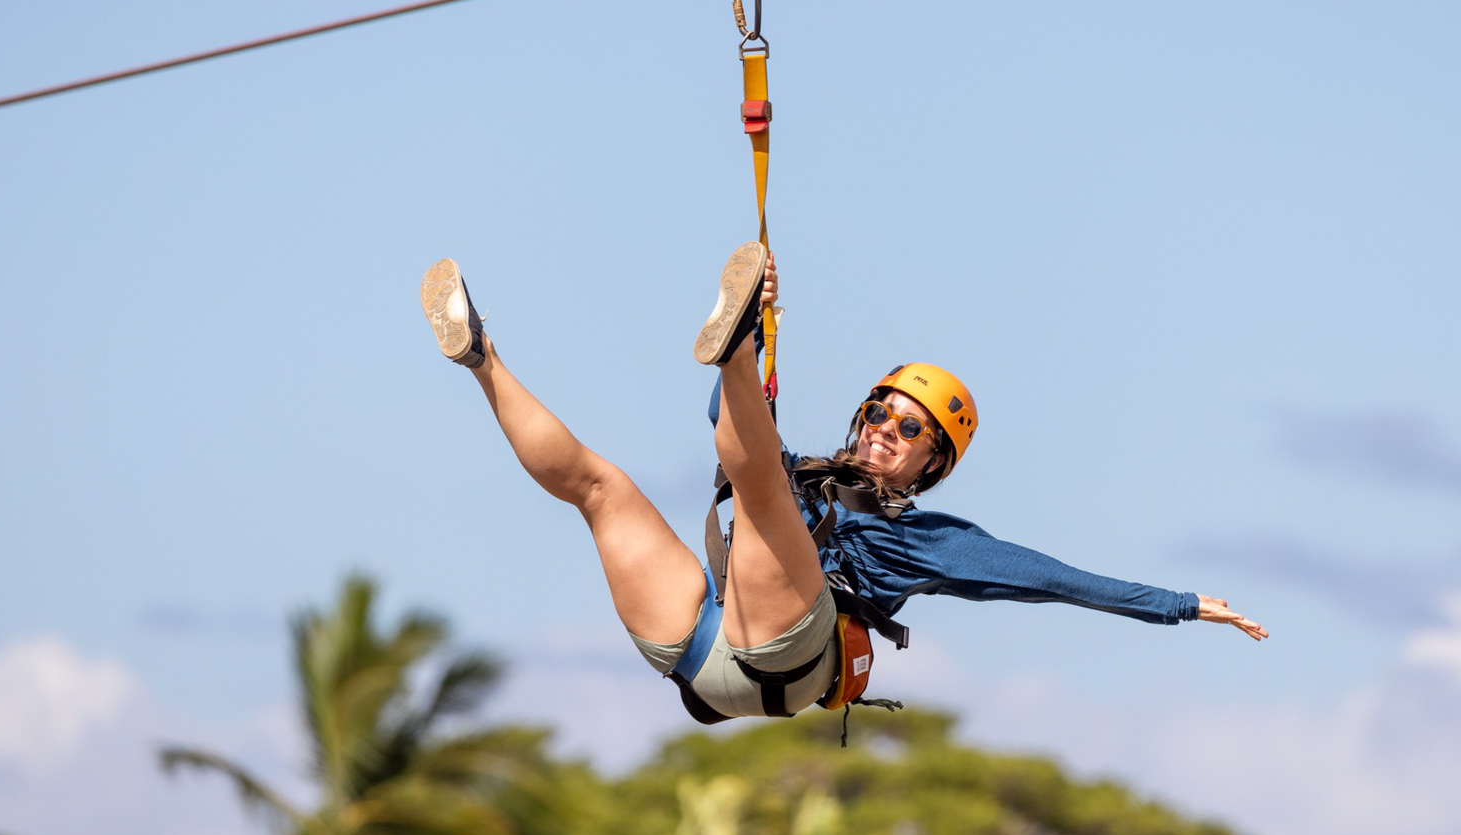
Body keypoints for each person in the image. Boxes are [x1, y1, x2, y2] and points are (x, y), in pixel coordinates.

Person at [419, 242, 1266, 723]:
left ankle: (741, 338)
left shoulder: (932, 539)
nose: (883, 432)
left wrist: (1182, 604)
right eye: (879, 413)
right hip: (691, 642)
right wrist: (749, 352)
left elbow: (1058, 581)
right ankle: (480, 356)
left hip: (781, 658)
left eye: (909, 430)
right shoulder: (800, 471)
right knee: (602, 488)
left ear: (934, 464)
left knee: (761, 492)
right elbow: (730, 420)